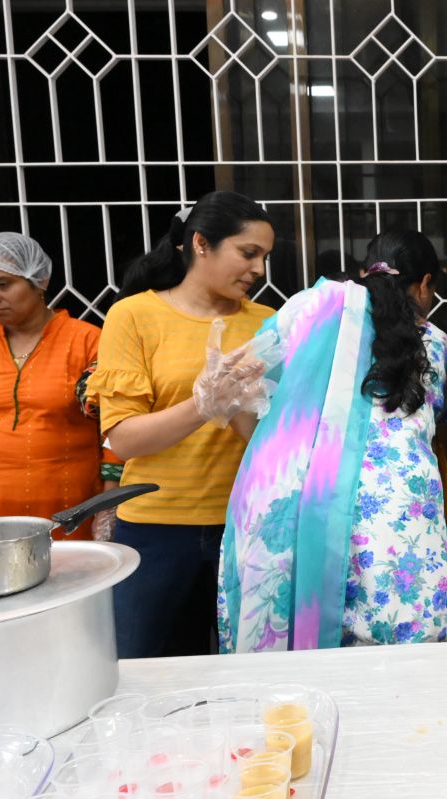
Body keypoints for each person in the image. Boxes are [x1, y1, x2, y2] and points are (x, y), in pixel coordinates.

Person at [219, 230, 447, 650]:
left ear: (365, 272)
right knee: (412, 644)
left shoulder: (315, 317)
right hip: (402, 508)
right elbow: (441, 425)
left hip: (313, 499)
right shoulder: (438, 345)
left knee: (316, 651)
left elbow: (244, 392)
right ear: (425, 285)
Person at [87, 191, 280, 658]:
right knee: (144, 668)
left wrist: (239, 408)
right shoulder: (134, 315)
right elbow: (124, 439)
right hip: (156, 527)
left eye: (264, 257)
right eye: (248, 253)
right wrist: (203, 404)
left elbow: (271, 444)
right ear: (200, 244)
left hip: (244, 524)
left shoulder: (268, 323)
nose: (258, 269)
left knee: (246, 669)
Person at [0, 233, 122, 535]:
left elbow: (113, 433)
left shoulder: (88, 342)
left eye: (2, 284)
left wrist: (107, 509)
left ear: (39, 281)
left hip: (69, 513)